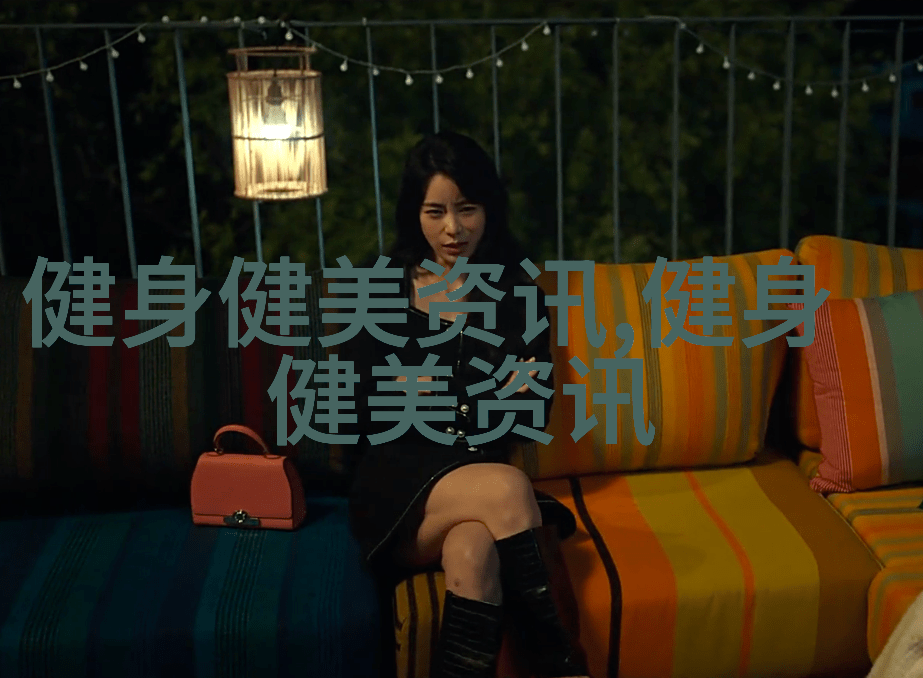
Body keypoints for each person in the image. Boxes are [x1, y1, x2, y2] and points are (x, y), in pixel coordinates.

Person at [339, 131, 589, 678]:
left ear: (488, 210)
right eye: (436, 212)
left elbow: (532, 412)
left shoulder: (518, 294)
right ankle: (567, 670)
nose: (453, 228)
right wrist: (485, 391)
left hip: (479, 487)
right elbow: (358, 408)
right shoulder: (379, 287)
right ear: (415, 215)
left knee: (473, 555)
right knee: (510, 487)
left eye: (467, 209)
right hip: (398, 493)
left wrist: (434, 392)